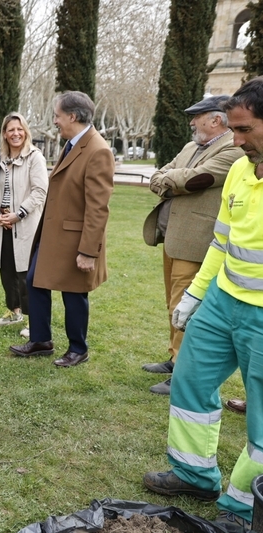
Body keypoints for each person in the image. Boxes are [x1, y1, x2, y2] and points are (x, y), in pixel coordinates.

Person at [142, 76, 263, 533]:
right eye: (233, 129)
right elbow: (223, 240)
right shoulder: (240, 169)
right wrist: (196, 294)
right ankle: (194, 474)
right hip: (222, 299)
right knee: (189, 380)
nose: (237, 140)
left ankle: (245, 506)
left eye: (246, 129)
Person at [140, 95, 243, 395]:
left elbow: (193, 179)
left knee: (187, 307)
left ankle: (184, 374)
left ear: (215, 120)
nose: (191, 122)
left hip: (197, 242)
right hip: (173, 239)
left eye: (197, 116)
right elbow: (163, 173)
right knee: (173, 304)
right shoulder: (191, 147)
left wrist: (169, 179)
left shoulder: (231, 150)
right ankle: (175, 359)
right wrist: (169, 178)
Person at [9, 91, 114, 367]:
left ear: (72, 116)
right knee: (34, 280)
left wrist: (88, 252)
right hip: (54, 236)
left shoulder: (97, 150)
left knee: (74, 294)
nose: (55, 121)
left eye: (57, 116)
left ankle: (78, 348)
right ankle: (41, 340)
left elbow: (98, 208)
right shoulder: (72, 143)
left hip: (76, 240)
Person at [0, 112, 48, 338]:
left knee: (25, 273)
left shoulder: (34, 157)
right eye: (11, 130)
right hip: (3, 223)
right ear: (4, 133)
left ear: (26, 132)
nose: (15, 134)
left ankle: (34, 320)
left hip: (24, 223)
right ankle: (14, 312)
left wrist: (18, 214)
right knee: (7, 270)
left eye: (19, 129)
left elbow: (40, 191)